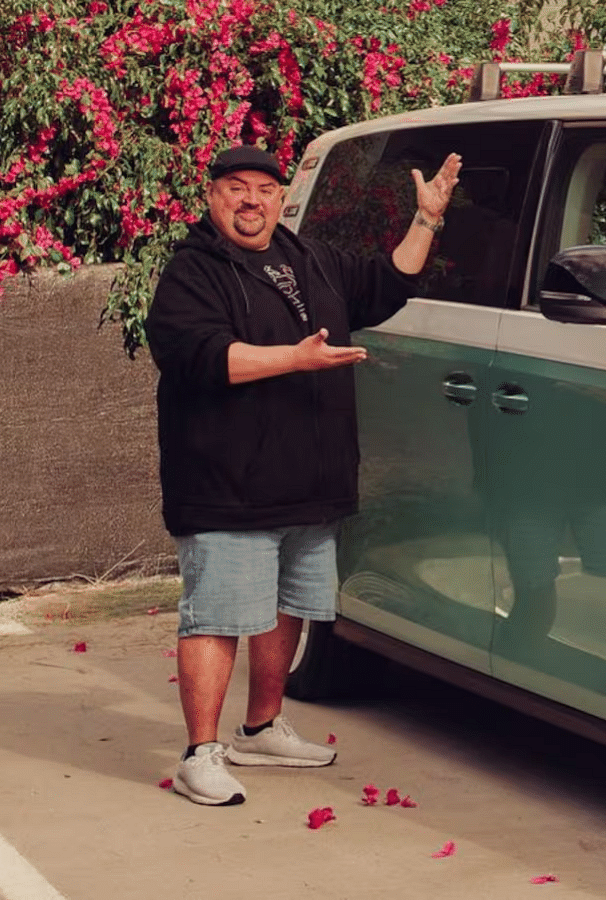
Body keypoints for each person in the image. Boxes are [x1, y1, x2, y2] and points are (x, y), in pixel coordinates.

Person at [144, 144, 461, 805]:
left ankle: (260, 729)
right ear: (212, 197)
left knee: (290, 608)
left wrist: (426, 219)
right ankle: (199, 754)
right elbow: (201, 357)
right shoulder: (192, 273)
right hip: (227, 484)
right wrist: (294, 356)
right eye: (235, 188)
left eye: (263, 187)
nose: (251, 200)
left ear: (282, 196)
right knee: (216, 617)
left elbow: (385, 282)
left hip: (309, 482)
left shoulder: (308, 256)